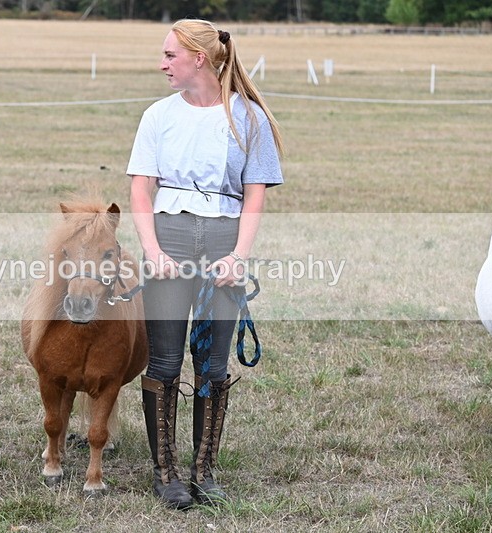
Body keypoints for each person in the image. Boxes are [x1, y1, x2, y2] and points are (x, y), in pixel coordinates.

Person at [126, 18, 284, 509]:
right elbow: (139, 189)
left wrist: (239, 257)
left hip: (223, 237)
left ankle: (204, 470)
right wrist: (154, 253)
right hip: (169, 234)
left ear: (199, 58)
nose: (162, 63)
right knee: (166, 360)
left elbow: (255, 195)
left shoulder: (248, 118)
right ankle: (166, 472)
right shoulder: (157, 115)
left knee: (214, 363)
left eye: (170, 55)